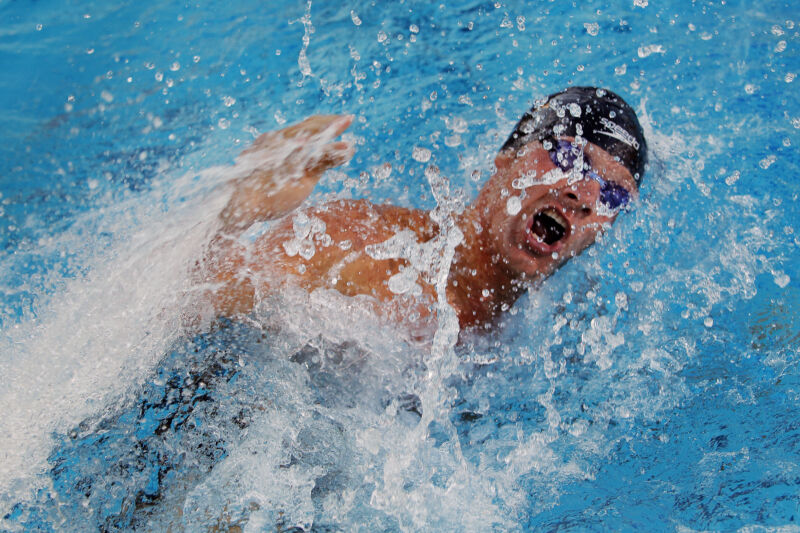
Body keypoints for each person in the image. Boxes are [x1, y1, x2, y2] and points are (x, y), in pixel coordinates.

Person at [198, 86, 648, 339]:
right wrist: (237, 215)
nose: (586, 196)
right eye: (568, 158)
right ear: (508, 156)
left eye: (614, 195)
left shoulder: (557, 336)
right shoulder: (358, 246)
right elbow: (194, 307)